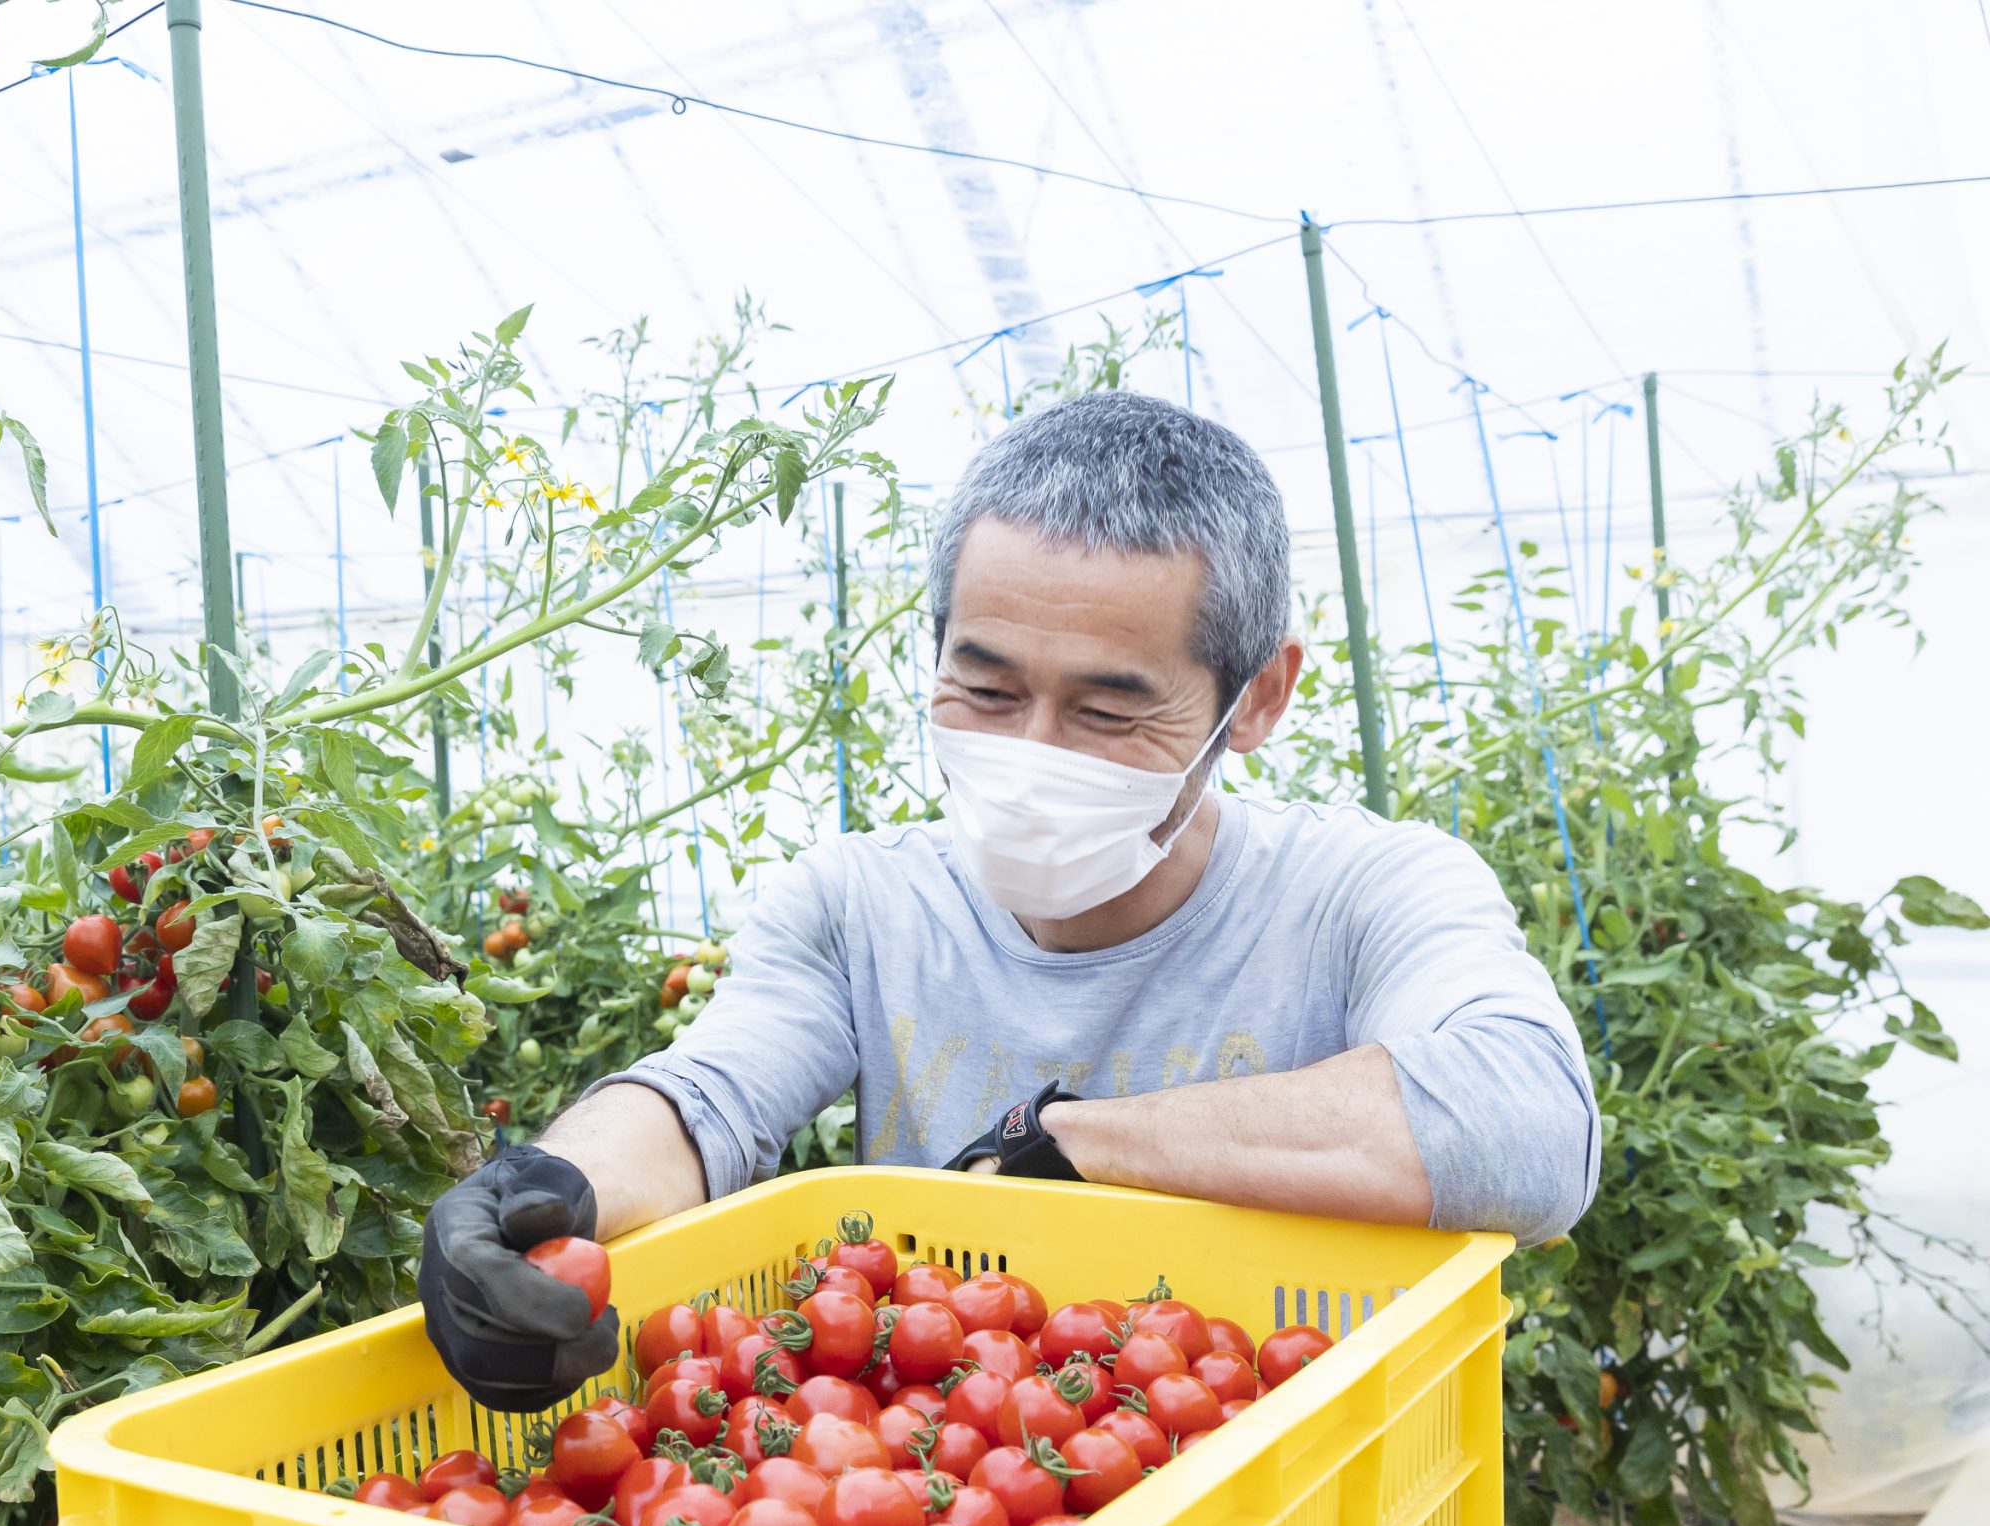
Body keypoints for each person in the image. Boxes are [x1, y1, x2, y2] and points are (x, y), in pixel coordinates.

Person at [419, 389, 1600, 1411]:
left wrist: (1074, 1144)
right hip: (958, 1504)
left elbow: (1529, 1123)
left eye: (1107, 712)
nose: (1034, 753)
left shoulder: (1363, 894)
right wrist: (552, 1194)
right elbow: (708, 1099)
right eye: (983, 689)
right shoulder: (861, 907)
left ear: (1257, 699)